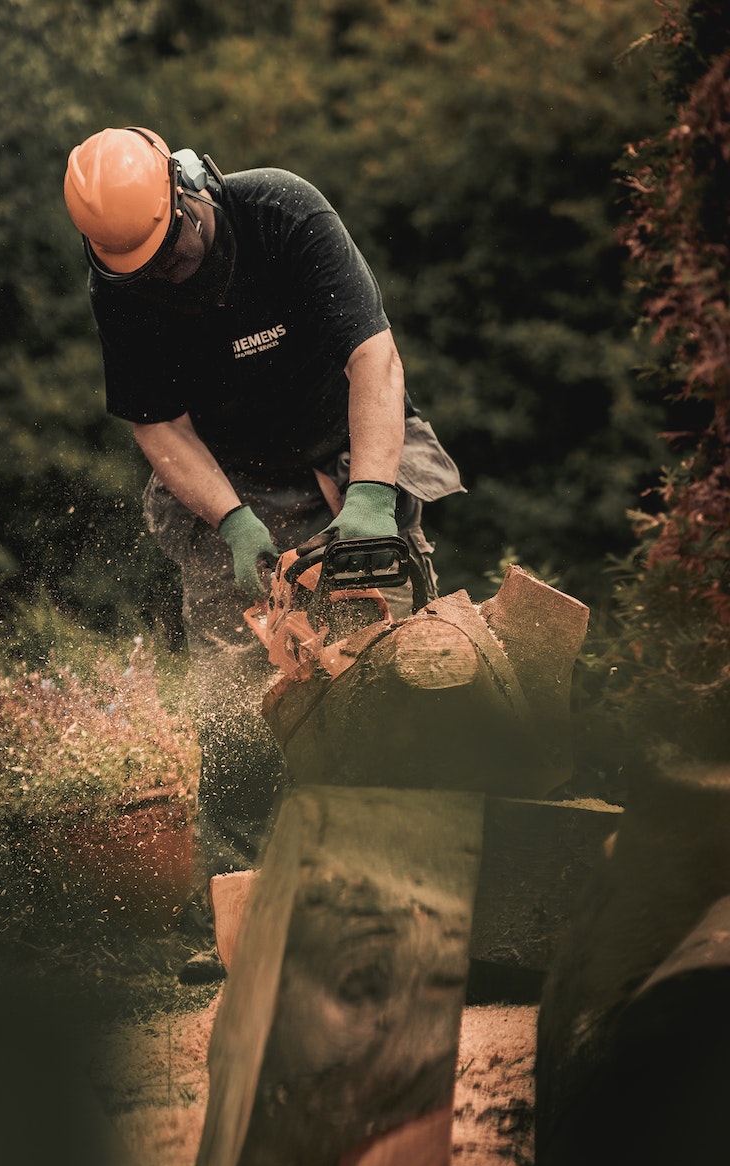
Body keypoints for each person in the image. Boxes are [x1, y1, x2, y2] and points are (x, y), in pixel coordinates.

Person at [63, 125, 463, 928]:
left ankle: (425, 881)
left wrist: (373, 497)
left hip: (348, 443)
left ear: (189, 187)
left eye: (171, 253)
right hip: (230, 475)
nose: (167, 274)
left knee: (400, 660)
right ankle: (238, 903)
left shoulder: (283, 212)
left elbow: (374, 359)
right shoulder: (120, 284)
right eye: (144, 268)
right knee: (234, 694)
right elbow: (157, 424)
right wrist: (233, 521)